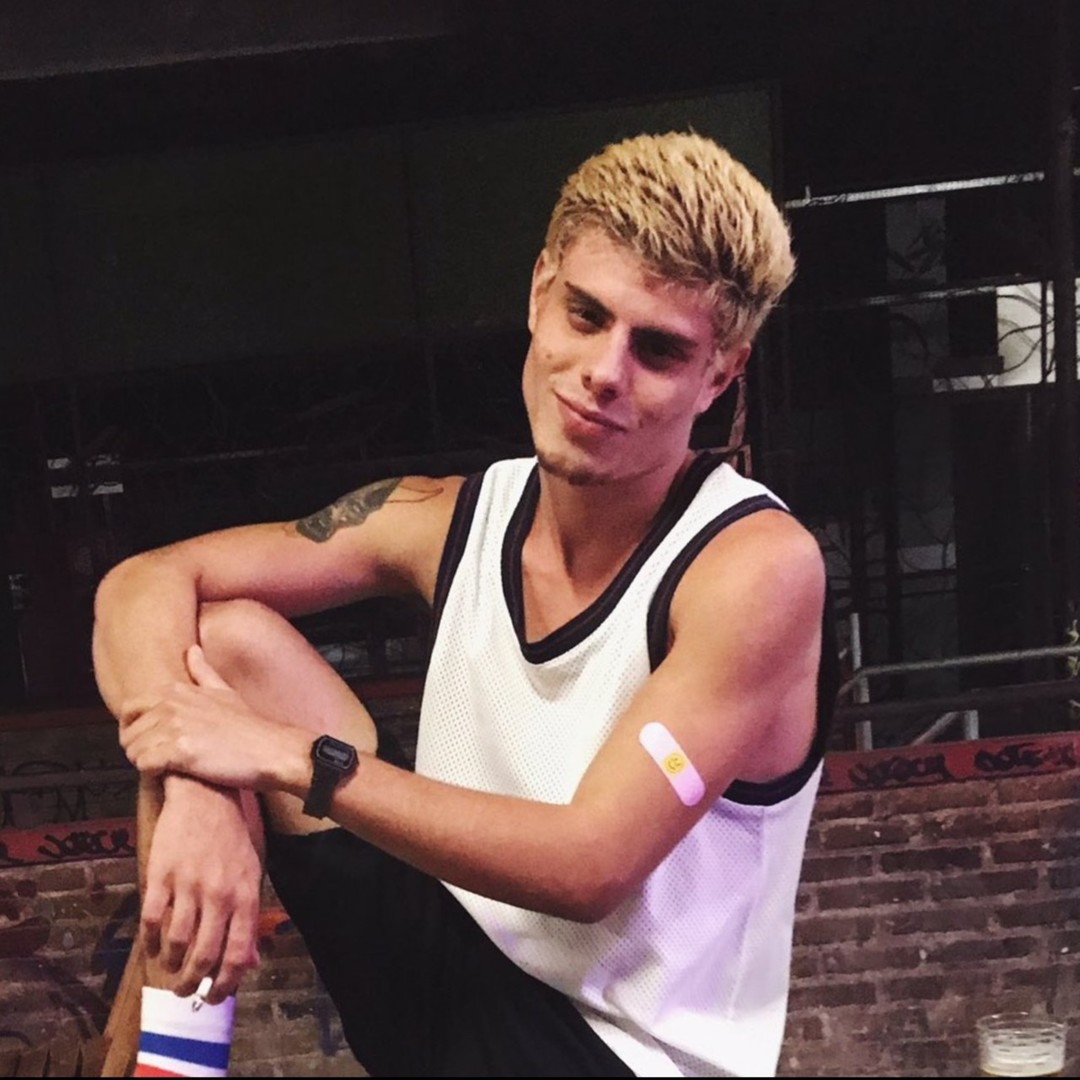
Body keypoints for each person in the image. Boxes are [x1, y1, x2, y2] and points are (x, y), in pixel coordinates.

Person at [93, 130, 838, 1078]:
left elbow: (589, 866)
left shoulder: (753, 567)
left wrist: (280, 756)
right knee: (221, 642)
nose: (604, 372)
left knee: (226, 712)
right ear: (539, 292)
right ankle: (172, 1069)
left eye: (657, 349)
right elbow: (143, 583)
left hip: (619, 1057)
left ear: (719, 375)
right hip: (451, 976)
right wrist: (200, 780)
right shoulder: (441, 517)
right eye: (585, 315)